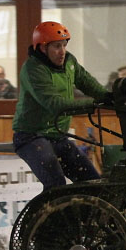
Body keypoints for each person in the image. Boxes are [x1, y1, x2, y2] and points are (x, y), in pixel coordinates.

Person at [12, 22, 110, 191]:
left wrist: (109, 97)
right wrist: (93, 104)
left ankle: (84, 216)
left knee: (93, 183)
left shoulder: (69, 62)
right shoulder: (33, 69)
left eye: (64, 45)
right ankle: (49, 216)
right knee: (56, 185)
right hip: (31, 136)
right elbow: (54, 104)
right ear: (43, 48)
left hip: (58, 136)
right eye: (57, 46)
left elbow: (87, 83)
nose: (62, 51)